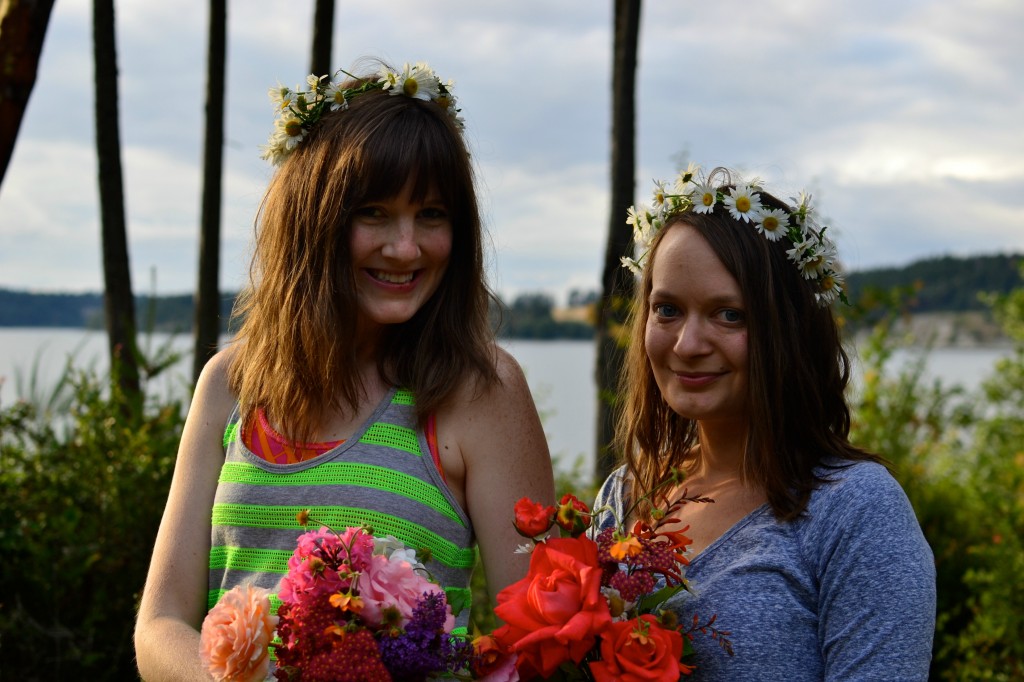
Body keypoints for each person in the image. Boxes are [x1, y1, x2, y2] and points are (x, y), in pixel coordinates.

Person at [134, 60, 555, 680]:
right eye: (374, 213)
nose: (406, 247)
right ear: (314, 218)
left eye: (432, 214)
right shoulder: (230, 385)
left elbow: (540, 645)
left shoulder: (481, 391)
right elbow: (160, 624)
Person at [593, 165, 936, 680]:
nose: (687, 345)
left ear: (787, 330)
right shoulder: (625, 496)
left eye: (729, 314)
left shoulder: (855, 512)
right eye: (667, 309)